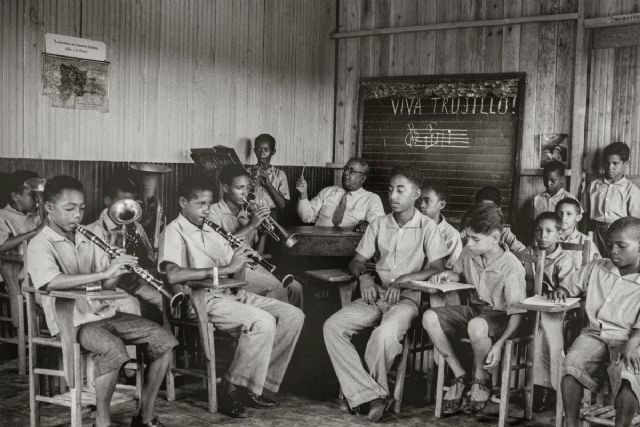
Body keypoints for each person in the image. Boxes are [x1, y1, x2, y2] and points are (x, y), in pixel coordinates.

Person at [27, 175, 177, 427]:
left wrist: (115, 269)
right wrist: (104, 273)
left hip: (103, 313)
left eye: (82, 208)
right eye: (70, 209)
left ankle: (145, 416)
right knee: (112, 348)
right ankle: (102, 421)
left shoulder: (86, 237)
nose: (77, 215)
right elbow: (51, 282)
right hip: (72, 321)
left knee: (164, 341)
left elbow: (106, 285)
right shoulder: (39, 243)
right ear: (49, 208)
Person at [159, 175, 304, 418]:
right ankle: (230, 387)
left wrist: (241, 258)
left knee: (293, 315)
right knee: (263, 321)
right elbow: (172, 275)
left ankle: (255, 384)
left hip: (230, 294)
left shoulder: (211, 230)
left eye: (209, 204)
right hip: (201, 300)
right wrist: (223, 270)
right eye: (200, 204)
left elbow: (234, 269)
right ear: (183, 202)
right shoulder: (173, 231)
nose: (206, 210)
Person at [323, 166, 448, 422]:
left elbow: (437, 267)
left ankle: (362, 395)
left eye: (400, 190)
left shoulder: (427, 227)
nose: (393, 195)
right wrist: (365, 276)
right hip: (376, 294)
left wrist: (404, 281)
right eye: (390, 189)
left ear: (416, 194)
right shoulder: (379, 223)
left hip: (408, 300)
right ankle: (374, 395)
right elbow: (357, 261)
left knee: (383, 335)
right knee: (332, 326)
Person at [422, 203, 527, 415]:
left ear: (495, 238)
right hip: (475, 314)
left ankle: (481, 378)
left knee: (477, 325)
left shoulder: (511, 266)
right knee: (429, 317)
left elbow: (517, 314)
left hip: (500, 317)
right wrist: (448, 275)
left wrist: (499, 344)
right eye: (468, 237)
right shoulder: (469, 252)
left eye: (475, 239)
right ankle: (460, 374)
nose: (469, 243)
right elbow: (458, 273)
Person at [551, 217, 640, 427]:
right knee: (571, 366)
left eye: (621, 245)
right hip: (594, 333)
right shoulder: (598, 267)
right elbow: (571, 284)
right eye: (610, 245)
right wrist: (562, 290)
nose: (613, 251)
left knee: (628, 376)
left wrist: (633, 342)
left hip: (629, 337)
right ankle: (571, 423)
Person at [208, 165, 303, 307]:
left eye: (247, 188)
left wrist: (263, 233)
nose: (245, 193)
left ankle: (296, 325)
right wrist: (251, 226)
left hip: (253, 266)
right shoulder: (212, 212)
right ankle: (279, 324)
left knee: (296, 288)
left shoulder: (247, 214)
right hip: (231, 270)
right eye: (239, 188)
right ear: (226, 188)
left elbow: (257, 254)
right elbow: (219, 247)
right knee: (277, 286)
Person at [86, 175, 163, 321]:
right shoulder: (94, 230)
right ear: (107, 202)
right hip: (115, 283)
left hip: (137, 279)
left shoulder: (136, 226)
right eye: (122, 203)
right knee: (153, 301)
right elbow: (99, 270)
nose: (127, 209)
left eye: (131, 203)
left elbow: (149, 255)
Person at [521, 212, 575, 412]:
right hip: (526, 308)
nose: (543, 235)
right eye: (538, 230)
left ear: (559, 234)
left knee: (544, 328)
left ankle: (545, 387)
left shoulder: (564, 259)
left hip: (554, 313)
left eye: (549, 231)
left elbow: (568, 289)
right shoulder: (526, 254)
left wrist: (556, 292)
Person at [0, 170, 45, 327]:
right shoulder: (2, 216)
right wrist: (34, 232)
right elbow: (2, 246)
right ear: (15, 196)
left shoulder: (35, 216)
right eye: (31, 194)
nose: (36, 199)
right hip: (18, 276)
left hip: (38, 272)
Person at [296, 157, 385, 231]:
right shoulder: (328, 191)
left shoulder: (371, 199)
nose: (346, 173)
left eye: (352, 171)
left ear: (363, 178)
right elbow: (306, 217)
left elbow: (377, 222)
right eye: (345, 169)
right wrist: (303, 194)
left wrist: (368, 224)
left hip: (349, 246)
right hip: (319, 242)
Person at [585, 141, 640, 256]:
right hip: (595, 233)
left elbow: (635, 222)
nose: (610, 167)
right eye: (607, 163)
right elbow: (585, 213)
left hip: (620, 235)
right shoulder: (593, 186)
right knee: (595, 263)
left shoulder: (632, 190)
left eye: (615, 163)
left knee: (615, 265)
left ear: (626, 163)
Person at [462, 186, 526, 253]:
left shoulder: (504, 233)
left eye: (490, 210)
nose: (487, 214)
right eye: (483, 210)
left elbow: (524, 253)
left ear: (499, 209)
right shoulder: (468, 232)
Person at [419, 178, 463, 267]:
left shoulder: (451, 236)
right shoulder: (411, 227)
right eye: (420, 200)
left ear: (441, 205)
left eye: (427, 201)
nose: (421, 205)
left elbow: (451, 270)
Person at [248, 133, 289, 213]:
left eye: (266, 149)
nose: (262, 153)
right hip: (251, 215)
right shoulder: (248, 172)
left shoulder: (280, 175)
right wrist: (250, 180)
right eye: (259, 149)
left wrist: (268, 185)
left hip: (271, 217)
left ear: (273, 151)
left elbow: (283, 206)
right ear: (255, 151)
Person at [555, 197, 600, 267]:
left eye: (569, 214)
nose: (563, 218)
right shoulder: (548, 237)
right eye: (559, 213)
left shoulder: (585, 240)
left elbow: (595, 267)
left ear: (578, 218)